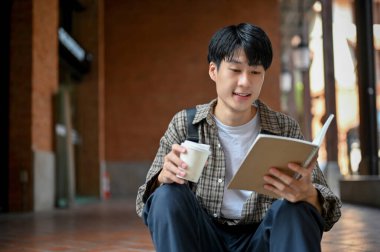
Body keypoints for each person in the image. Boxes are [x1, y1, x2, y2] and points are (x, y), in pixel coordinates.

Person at [136, 23, 341, 252]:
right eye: (235, 70)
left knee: (297, 208)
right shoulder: (186, 124)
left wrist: (309, 195)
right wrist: (163, 178)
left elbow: (330, 209)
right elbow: (144, 202)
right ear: (214, 71)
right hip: (203, 240)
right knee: (167, 196)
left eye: (255, 72)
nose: (245, 82)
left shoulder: (283, 128)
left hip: (262, 240)